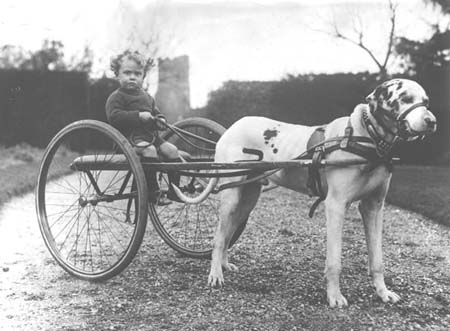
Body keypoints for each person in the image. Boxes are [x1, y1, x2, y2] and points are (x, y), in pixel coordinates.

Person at [105, 50, 182, 204]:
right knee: (149, 150)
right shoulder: (116, 97)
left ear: (143, 76)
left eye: (137, 74)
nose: (132, 77)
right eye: (127, 73)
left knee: (172, 150)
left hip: (151, 138)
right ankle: (152, 192)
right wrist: (138, 116)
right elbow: (114, 118)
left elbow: (157, 114)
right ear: (117, 75)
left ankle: (175, 190)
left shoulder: (147, 97)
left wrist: (160, 121)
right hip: (127, 141)